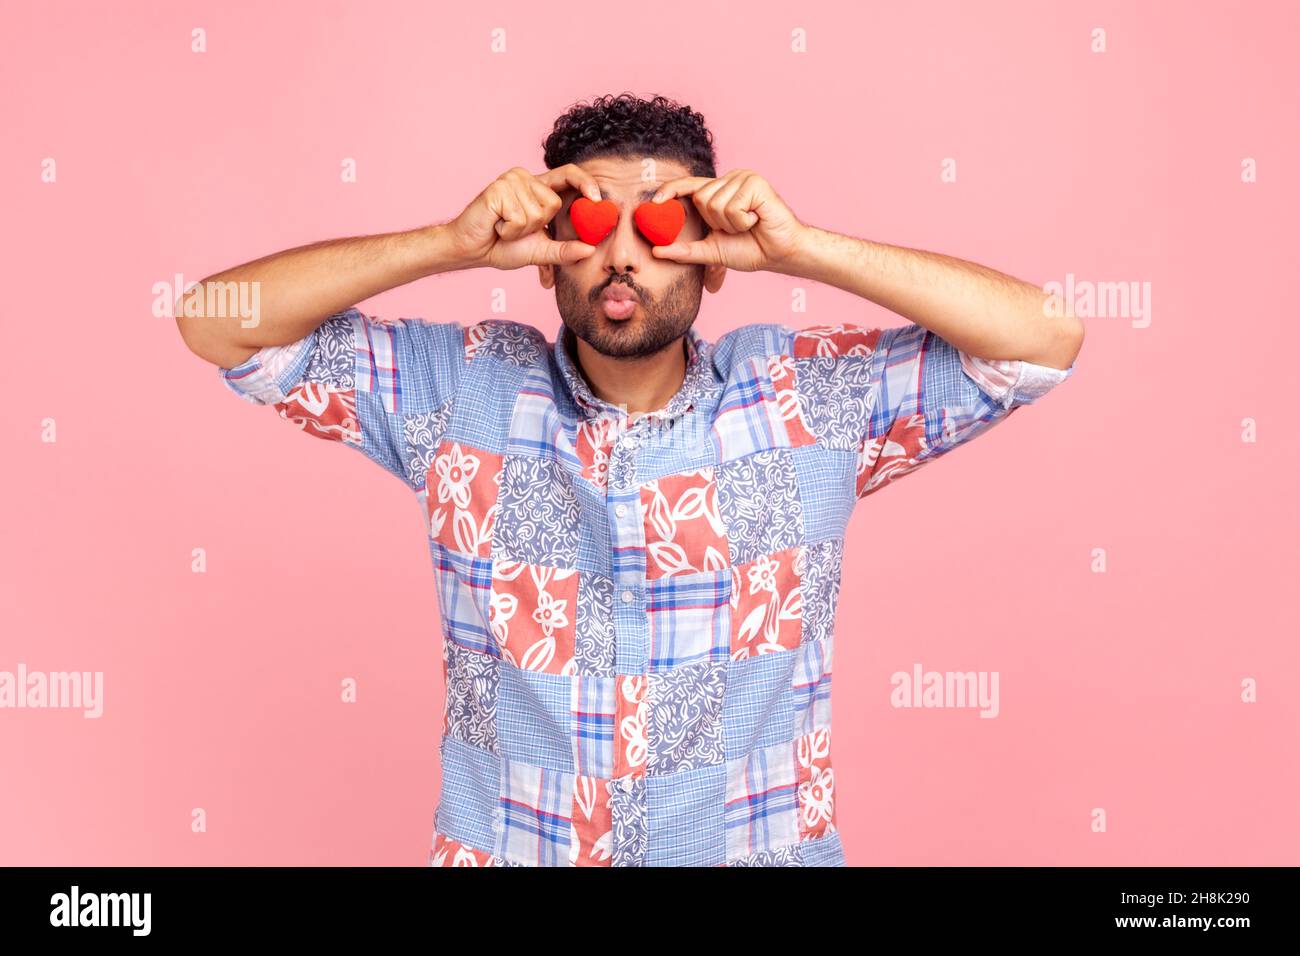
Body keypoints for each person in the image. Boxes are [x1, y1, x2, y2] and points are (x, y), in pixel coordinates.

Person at [176, 92, 1084, 867]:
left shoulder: (808, 400)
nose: (620, 256)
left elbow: (1044, 342)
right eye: (590, 225)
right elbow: (216, 323)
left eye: (654, 226)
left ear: (715, 257)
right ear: (545, 251)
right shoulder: (459, 393)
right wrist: (446, 243)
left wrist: (803, 249)